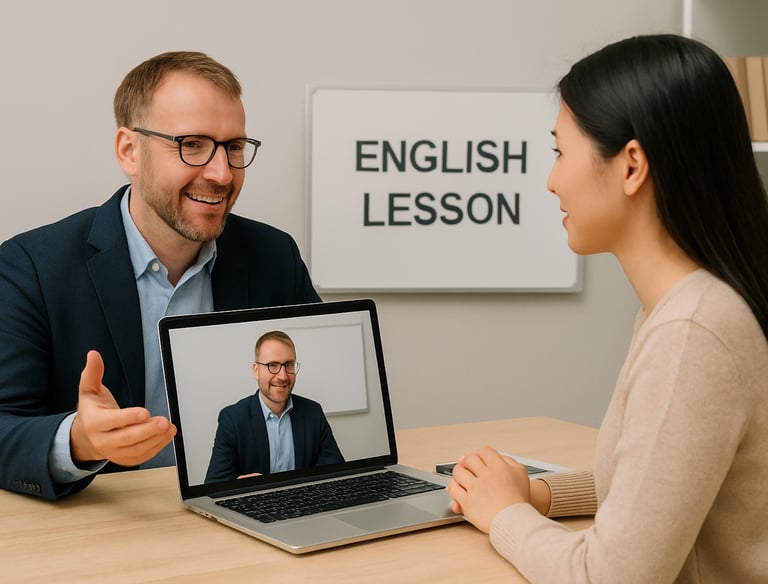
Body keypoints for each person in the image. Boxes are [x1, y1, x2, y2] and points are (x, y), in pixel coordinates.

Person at [447, 34, 768, 583]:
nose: (551, 181)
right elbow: (658, 482)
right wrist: (539, 494)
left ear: (631, 165)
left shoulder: (693, 331)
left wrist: (505, 514)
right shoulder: (691, 306)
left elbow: (610, 576)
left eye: (560, 152)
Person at [0, 51, 321, 501]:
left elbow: (311, 392)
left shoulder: (274, 256)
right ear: (129, 151)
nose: (221, 174)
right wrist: (78, 441)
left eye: (233, 147)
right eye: (192, 144)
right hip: (109, 523)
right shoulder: (30, 267)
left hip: (243, 512)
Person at [205, 330, 343, 482]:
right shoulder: (232, 419)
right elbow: (214, 484)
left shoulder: (313, 412)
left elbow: (336, 472)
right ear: (256, 371)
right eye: (273, 365)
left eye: (289, 365)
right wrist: (239, 487)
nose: (283, 376)